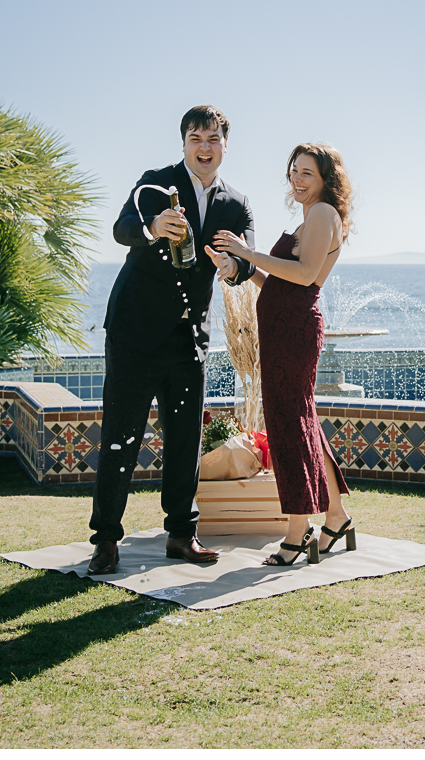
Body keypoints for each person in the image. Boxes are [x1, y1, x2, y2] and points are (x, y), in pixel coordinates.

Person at [87, 105, 256, 574]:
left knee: (185, 440)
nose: (205, 147)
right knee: (121, 439)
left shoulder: (235, 203)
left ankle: (182, 535)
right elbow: (122, 230)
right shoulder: (154, 184)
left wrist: (234, 267)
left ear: (225, 145)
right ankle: (105, 540)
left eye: (214, 139)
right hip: (135, 333)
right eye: (196, 138)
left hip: (188, 340)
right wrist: (152, 228)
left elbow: (247, 259)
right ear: (183, 143)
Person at [210, 143, 355, 566]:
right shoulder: (312, 216)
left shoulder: (324, 214)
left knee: (289, 429)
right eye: (295, 170)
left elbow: (306, 275)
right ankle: (336, 517)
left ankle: (297, 531)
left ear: (327, 179)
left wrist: (248, 252)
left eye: (307, 172)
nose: (297, 178)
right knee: (302, 423)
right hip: (284, 330)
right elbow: (282, 286)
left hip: (292, 335)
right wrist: (239, 268)